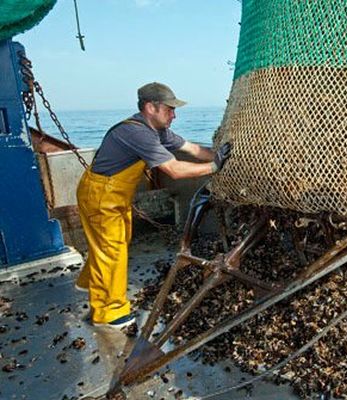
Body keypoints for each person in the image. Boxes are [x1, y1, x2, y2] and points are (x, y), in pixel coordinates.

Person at [75, 82, 231, 329]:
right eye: (169, 109)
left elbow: (191, 149)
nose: (174, 115)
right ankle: (110, 312)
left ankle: (93, 289)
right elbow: (174, 170)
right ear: (150, 107)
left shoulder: (158, 132)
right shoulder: (137, 133)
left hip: (113, 195)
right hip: (101, 194)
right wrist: (214, 168)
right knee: (112, 249)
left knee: (112, 244)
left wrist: (222, 154)